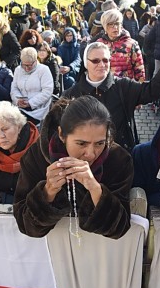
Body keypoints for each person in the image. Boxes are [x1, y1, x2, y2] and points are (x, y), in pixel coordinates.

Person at [14, 96, 133, 239]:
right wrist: (48, 191)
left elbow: (120, 228)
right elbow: (25, 225)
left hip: (101, 252)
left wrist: (95, 189)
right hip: (49, 251)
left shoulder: (118, 159)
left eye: (99, 143)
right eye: (81, 144)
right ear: (61, 135)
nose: (90, 154)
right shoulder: (36, 156)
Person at [63, 42, 160, 150]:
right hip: (86, 157)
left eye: (105, 60)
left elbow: (150, 91)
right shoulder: (71, 94)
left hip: (120, 156)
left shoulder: (122, 86)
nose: (102, 64)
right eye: (95, 61)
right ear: (86, 63)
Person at [0, 102, 39, 204]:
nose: (1, 136)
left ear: (19, 127)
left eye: (5, 129)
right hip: (2, 205)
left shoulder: (37, 149)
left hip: (31, 207)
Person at [10, 47, 54, 123]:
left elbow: (47, 91)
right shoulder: (18, 70)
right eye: (24, 65)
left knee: (15, 120)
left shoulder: (44, 70)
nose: (26, 68)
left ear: (35, 61)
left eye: (29, 65)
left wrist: (30, 103)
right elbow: (14, 88)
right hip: (20, 107)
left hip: (38, 109)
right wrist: (17, 100)